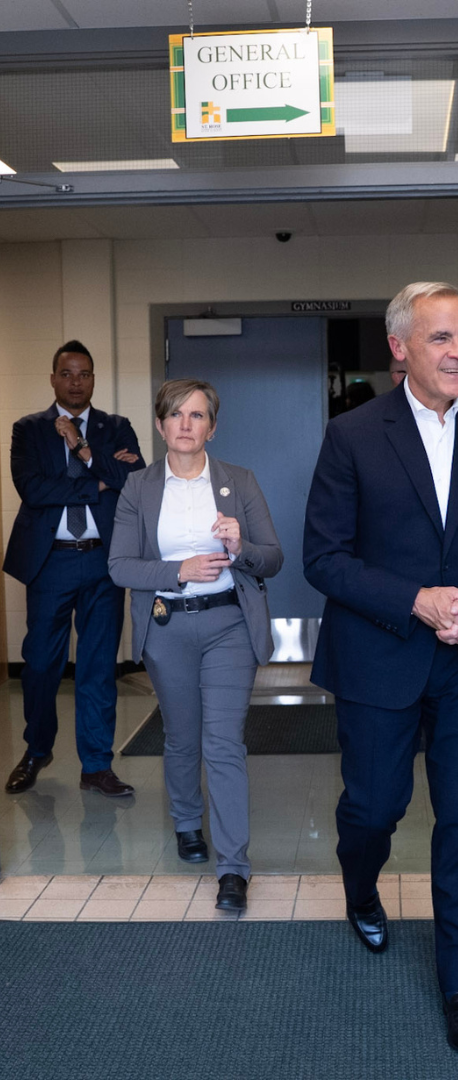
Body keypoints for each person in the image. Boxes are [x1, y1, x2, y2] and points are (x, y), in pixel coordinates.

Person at [303, 281, 458, 1054]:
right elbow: (324, 559)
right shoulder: (353, 435)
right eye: (441, 338)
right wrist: (419, 601)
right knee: (375, 808)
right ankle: (360, 886)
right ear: (400, 347)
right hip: (380, 657)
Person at [108, 379, 283, 911]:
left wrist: (241, 545)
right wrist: (177, 570)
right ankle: (188, 822)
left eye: (198, 415)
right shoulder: (138, 487)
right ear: (161, 426)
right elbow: (119, 565)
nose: (186, 424)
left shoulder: (239, 481)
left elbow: (272, 557)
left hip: (229, 624)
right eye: (176, 415)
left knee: (224, 742)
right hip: (168, 626)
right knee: (182, 736)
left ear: (212, 425)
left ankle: (233, 868)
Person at [3, 340, 144, 797]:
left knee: (99, 666)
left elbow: (133, 480)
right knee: (41, 664)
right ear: (53, 379)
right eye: (67, 373)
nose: (76, 381)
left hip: (103, 562)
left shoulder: (115, 427)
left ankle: (96, 765)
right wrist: (97, 479)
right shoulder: (28, 429)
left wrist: (83, 450)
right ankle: (37, 749)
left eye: (84, 374)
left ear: (94, 379)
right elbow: (33, 489)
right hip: (51, 562)